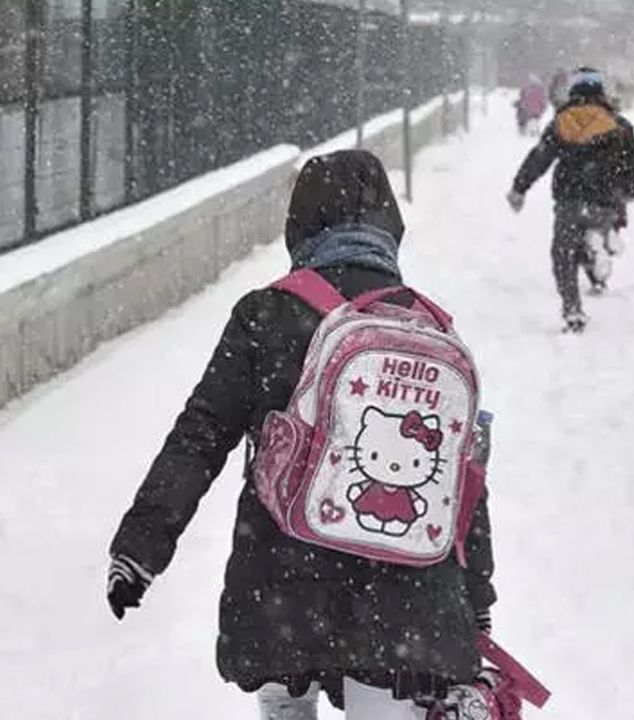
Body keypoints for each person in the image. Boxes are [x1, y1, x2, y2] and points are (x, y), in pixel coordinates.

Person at [106, 150, 497, 719]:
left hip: (284, 581)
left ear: (300, 224)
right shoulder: (429, 328)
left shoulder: (267, 314)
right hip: (404, 598)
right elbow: (463, 483)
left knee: (286, 698)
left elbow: (201, 434)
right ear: (390, 225)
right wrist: (475, 600)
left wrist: (141, 547)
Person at [507, 68, 634, 333]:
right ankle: (600, 248)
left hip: (570, 198)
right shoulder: (619, 125)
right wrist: (629, 190)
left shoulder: (562, 122)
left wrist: (519, 188)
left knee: (563, 254)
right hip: (605, 199)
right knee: (595, 231)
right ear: (601, 92)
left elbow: (540, 158)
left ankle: (572, 309)